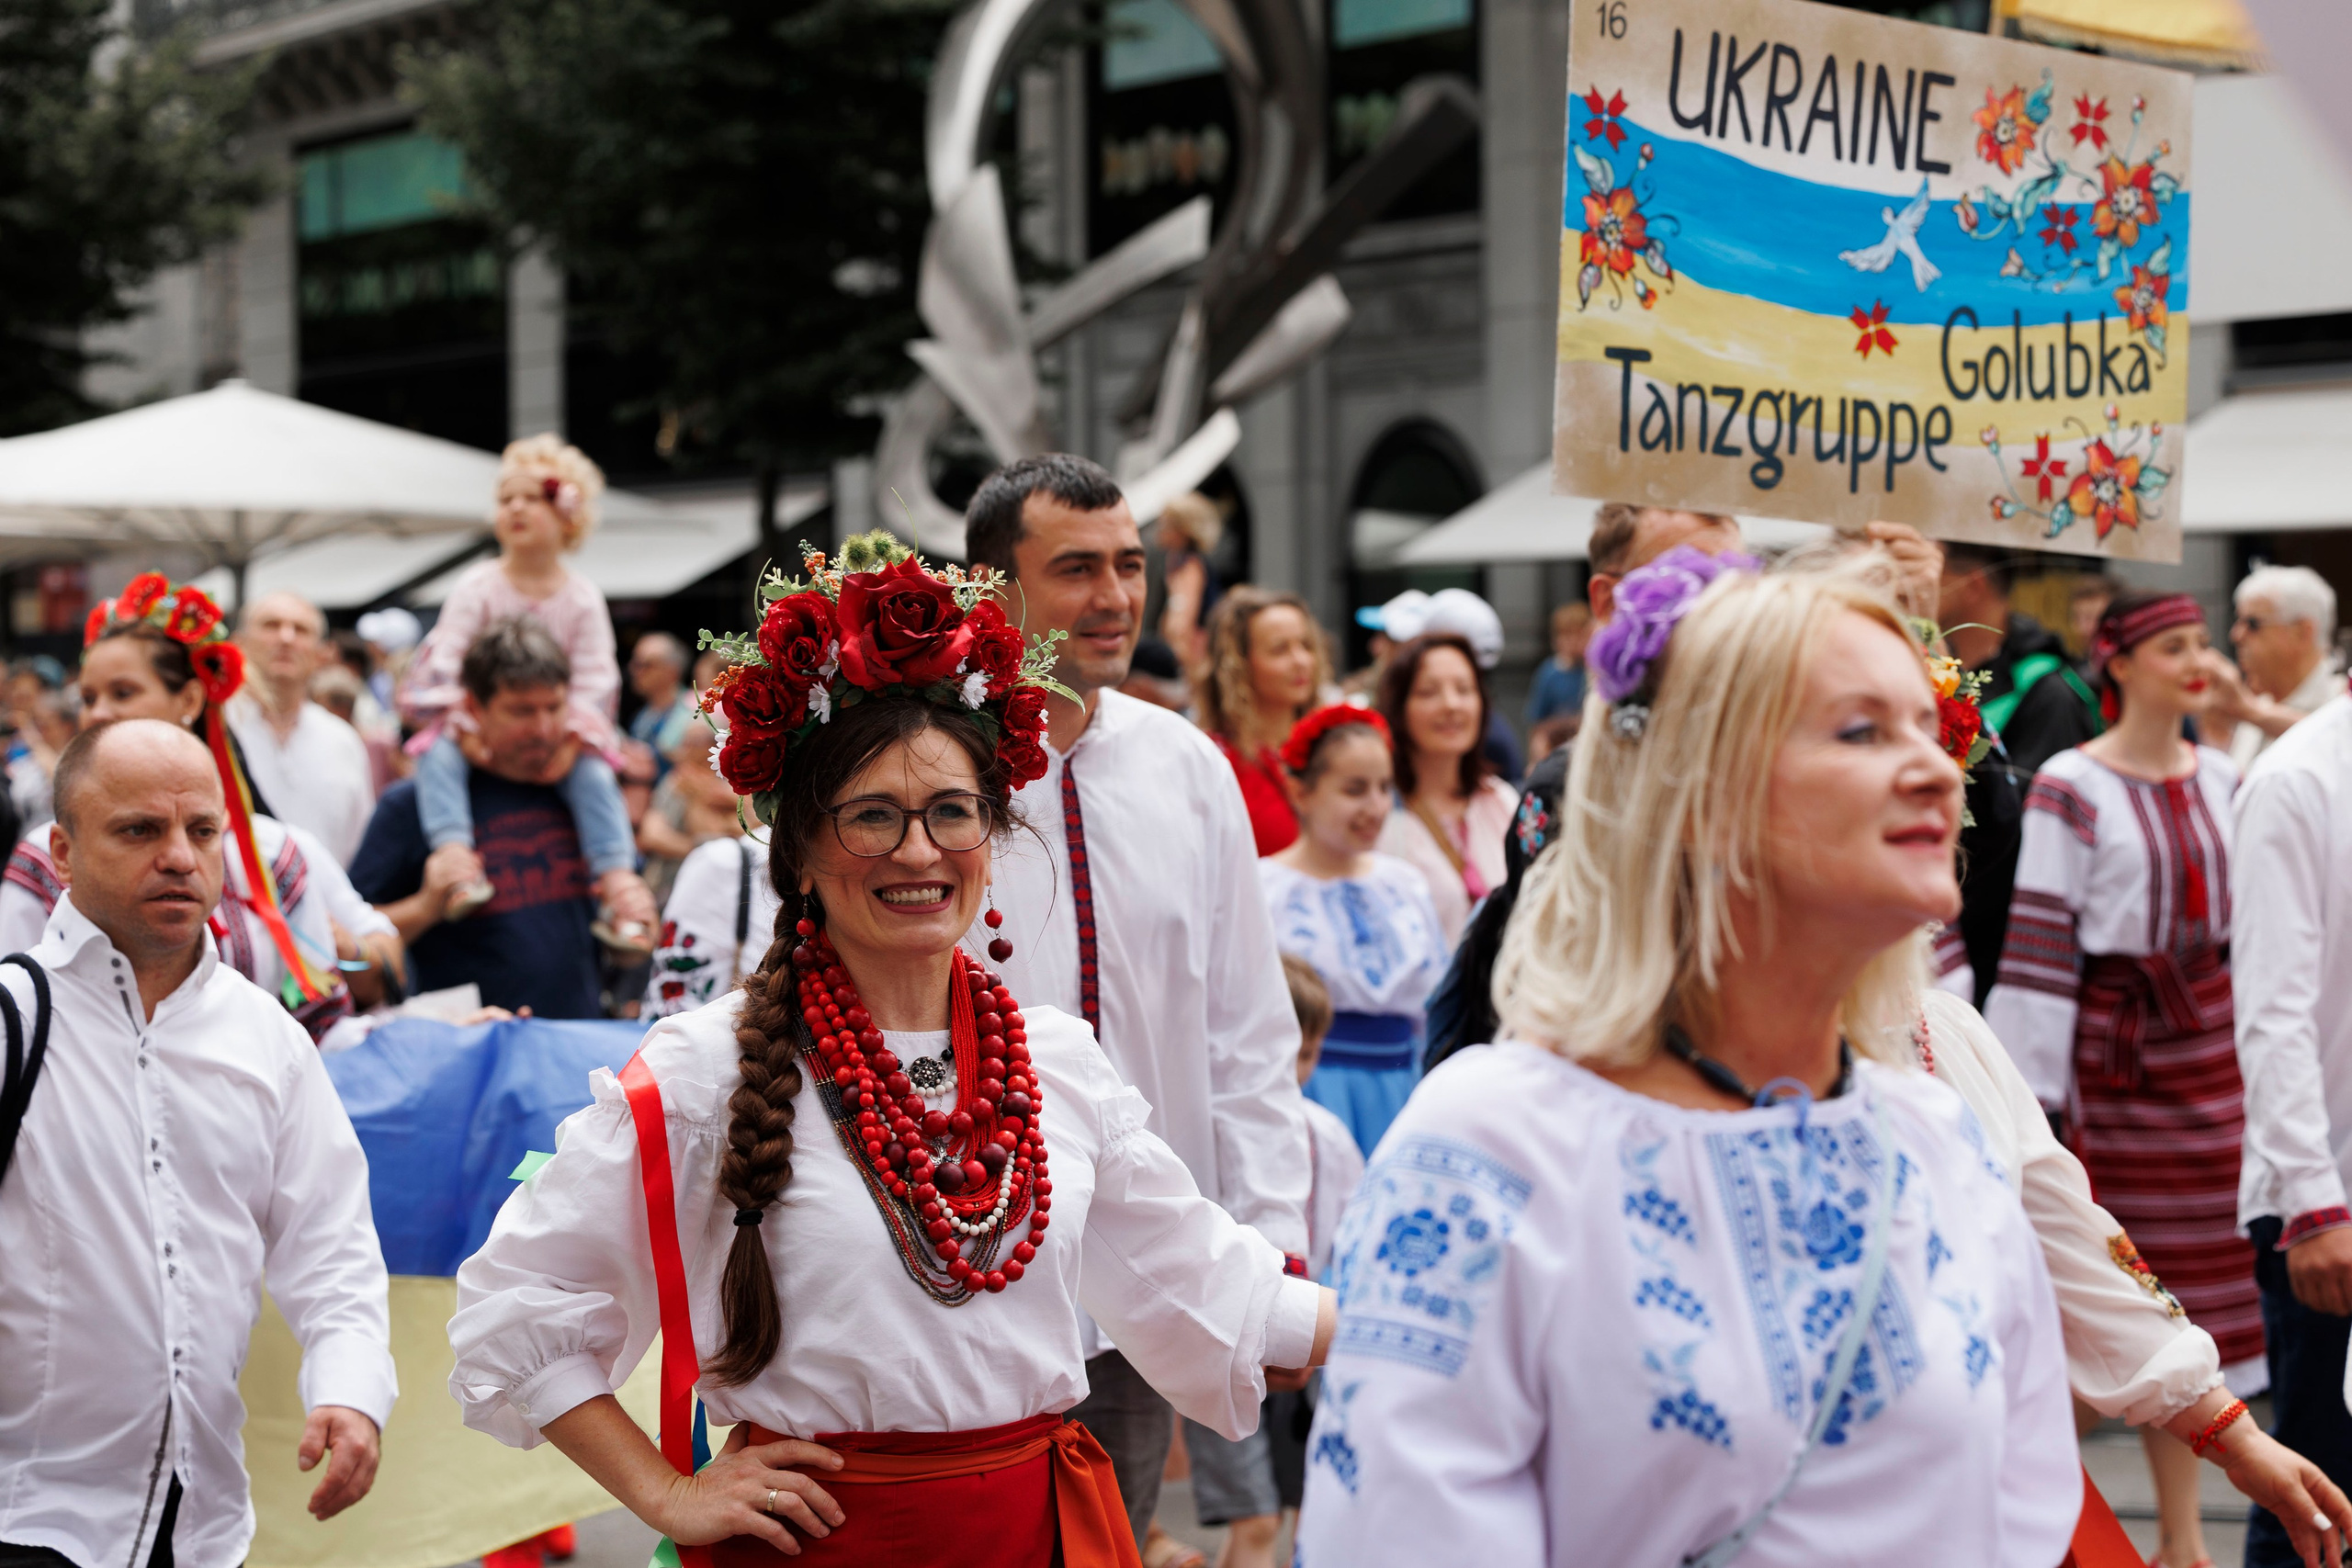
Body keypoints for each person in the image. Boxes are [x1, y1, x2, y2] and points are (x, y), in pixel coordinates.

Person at [447, 542, 1333, 1566]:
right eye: (872, 817)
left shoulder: (1053, 1066)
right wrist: (666, 1493)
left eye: (951, 812)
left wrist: (1459, 1323)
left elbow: (1215, 1286)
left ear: (994, 833)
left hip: (1035, 1536)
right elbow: (518, 1307)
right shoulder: (707, 1072)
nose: (918, 851)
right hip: (824, 1544)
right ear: (801, 856)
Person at [1298, 548, 2081, 1565]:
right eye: (1861, 731)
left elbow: (2018, 1512)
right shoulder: (1490, 1147)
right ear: (1702, 794)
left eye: (1927, 730)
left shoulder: (1938, 1141)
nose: (1935, 766)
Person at [959, 455, 1312, 1549]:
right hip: (957, 1268)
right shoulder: (923, 765)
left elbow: (1248, 1036)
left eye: (1129, 565)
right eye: (1076, 569)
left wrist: (1270, 1242)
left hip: (1139, 1277)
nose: (1116, 598)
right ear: (992, 590)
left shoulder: (1187, 767)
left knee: (1112, 1540)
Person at [0, 718, 394, 1568]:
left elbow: (333, 1249)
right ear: (62, 855)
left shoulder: (270, 1039)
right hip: (26, 1517)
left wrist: (351, 1391)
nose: (180, 855)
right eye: (141, 829)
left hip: (205, 1527)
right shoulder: (12, 1020)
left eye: (201, 830)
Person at [1983, 590, 2264, 1568]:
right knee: (2124, 1282)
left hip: (2208, 1057)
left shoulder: (2224, 772)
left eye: (2203, 642)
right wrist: (2035, 1104)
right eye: (2174, 645)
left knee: (2194, 1296)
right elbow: (2042, 941)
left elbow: (2251, 931)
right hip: (2116, 1063)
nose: (2198, 658)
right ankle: (2014, 1484)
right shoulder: (2070, 782)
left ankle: (2184, 1543)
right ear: (2118, 661)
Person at [2, 576, 401, 1040]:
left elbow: (322, 1027)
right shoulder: (45, 858)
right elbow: (18, 1019)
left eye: (123, 693)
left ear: (190, 699)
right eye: (89, 698)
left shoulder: (272, 852)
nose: (98, 714)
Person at [396, 434, 653, 951]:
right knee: (438, 760)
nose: (515, 507)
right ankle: (456, 863)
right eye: (505, 498)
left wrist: (565, 742)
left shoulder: (582, 597)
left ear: (566, 515)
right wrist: (469, 729)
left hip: (555, 737)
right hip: (478, 728)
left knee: (596, 778)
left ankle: (618, 886)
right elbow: (449, 663)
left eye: (531, 497)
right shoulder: (477, 585)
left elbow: (595, 681)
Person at [1182, 955, 1363, 1568]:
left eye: (1307, 1054)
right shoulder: (1200, 1134)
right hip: (1226, 1343)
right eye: (1280, 1052)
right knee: (1256, 1521)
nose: (1291, 1072)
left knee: (1305, 1514)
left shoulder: (1327, 1135)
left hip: (1303, 1349)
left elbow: (1346, 1233)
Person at [351, 618, 618, 1020]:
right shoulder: (411, 805)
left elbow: (606, 922)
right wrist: (426, 905)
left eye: (554, 707)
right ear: (474, 707)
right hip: (473, 1055)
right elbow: (349, 938)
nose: (544, 728)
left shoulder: (579, 794)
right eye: (522, 711)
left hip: (577, 1049)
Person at [2233, 662, 2352, 1567]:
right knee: (2311, 1499)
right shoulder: (2297, 776)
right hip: (2328, 1200)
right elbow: (2272, 1009)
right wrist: (2313, 1202)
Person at [1260, 705, 1446, 1157]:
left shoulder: (1405, 884)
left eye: (1384, 788)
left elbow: (1434, 1001)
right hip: (1313, 1086)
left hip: (1406, 1086)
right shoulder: (1266, 889)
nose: (1376, 806)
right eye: (1354, 790)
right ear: (1301, 791)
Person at [1935, 542, 2103, 1001]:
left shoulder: (2047, 691)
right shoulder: (1941, 674)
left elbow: (2024, 834)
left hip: (1999, 947)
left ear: (1972, 585)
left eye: (1934, 570)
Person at [1373, 632, 1518, 946]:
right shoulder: (1377, 815)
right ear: (1399, 706)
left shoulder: (1502, 801)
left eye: (1465, 690)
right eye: (1428, 692)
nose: (1451, 705)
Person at [229, 592, 378, 867]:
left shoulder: (343, 740)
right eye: (271, 625)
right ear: (239, 643)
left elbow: (359, 845)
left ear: (322, 654)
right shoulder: (215, 727)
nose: (286, 638)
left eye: (301, 630)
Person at [1199, 587, 1329, 857]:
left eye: (1306, 645)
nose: (1301, 661)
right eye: (1280, 649)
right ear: (1239, 665)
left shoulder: (1333, 748)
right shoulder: (1212, 760)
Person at [2212, 565, 2338, 770]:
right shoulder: (2258, 704)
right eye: (2238, 622)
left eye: (2252, 624)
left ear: (2302, 633)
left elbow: (2338, 745)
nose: (2236, 635)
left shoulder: (2342, 701)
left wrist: (2248, 710)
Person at [1156, 490, 1225, 682]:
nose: (1160, 530)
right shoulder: (1179, 562)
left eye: (1166, 524)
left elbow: (1181, 619)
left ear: (1182, 529)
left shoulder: (1190, 566)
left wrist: (1180, 659)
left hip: (1194, 658)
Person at [625, 633, 697, 777]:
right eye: (634, 663)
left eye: (646, 665)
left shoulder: (695, 710)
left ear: (672, 671)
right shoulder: (642, 716)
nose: (635, 671)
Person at [1523, 602, 1590, 728]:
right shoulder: (1549, 673)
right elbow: (1537, 721)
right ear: (1555, 639)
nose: (1573, 641)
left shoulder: (1594, 672)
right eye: (1567, 635)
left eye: (1579, 634)